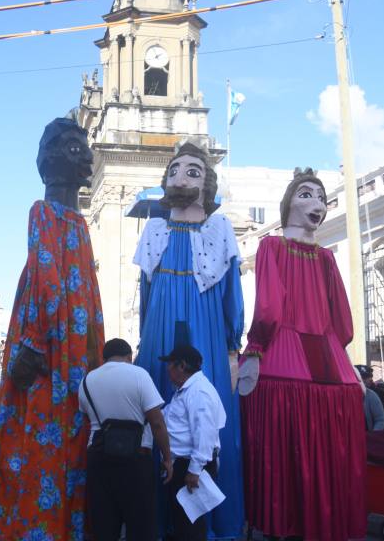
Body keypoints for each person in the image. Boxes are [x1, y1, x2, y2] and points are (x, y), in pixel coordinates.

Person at [0, 118, 105, 541]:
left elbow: (52, 280)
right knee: (62, 425)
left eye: (84, 146)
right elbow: (48, 278)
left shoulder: (70, 221)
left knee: (41, 426)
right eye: (74, 147)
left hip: (58, 341)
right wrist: (35, 342)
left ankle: (40, 522)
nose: (86, 155)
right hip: (62, 344)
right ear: (50, 157)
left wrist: (35, 343)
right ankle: (57, 523)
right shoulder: (49, 213)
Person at [241, 168, 366, 541]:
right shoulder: (307, 253)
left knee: (280, 457)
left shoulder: (278, 249)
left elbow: (269, 307)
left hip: (290, 362)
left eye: (321, 197)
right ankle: (322, 520)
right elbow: (341, 322)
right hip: (325, 365)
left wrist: (256, 349)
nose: (317, 203)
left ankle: (283, 522)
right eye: (306, 194)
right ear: (288, 205)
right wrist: (344, 362)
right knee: (329, 458)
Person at [132, 141, 245, 538]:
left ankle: (207, 520)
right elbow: (145, 291)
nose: (180, 177)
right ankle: (155, 520)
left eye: (192, 171)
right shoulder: (154, 229)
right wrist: (146, 339)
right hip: (160, 329)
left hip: (206, 328)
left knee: (204, 413)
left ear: (207, 184)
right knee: (155, 411)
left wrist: (232, 346)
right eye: (174, 170)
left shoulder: (219, 229)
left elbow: (232, 294)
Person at [79, 338, 172, 541]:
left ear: (104, 358)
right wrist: (167, 458)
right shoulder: (139, 375)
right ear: (129, 356)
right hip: (136, 460)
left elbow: (88, 419)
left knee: (104, 524)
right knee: (140, 526)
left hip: (99, 458)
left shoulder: (87, 381)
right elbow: (157, 422)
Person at [159, 344, 225, 541]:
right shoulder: (186, 390)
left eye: (170, 364)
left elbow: (204, 433)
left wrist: (194, 470)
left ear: (182, 366)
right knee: (184, 520)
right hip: (183, 464)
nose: (167, 369)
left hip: (191, 465)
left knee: (189, 524)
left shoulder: (199, 392)